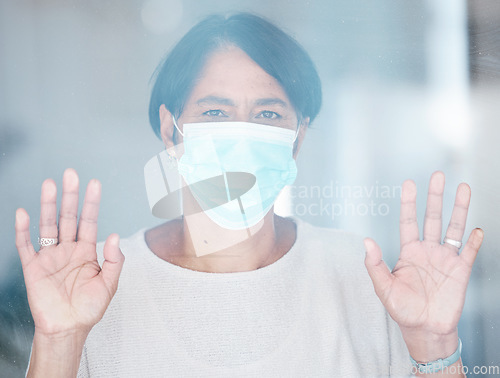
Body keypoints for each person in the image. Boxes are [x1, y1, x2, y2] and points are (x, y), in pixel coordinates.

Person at [15, 13, 483, 377]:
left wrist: (434, 344)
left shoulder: (364, 276)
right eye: (216, 111)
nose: (241, 135)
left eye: (268, 114)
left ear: (298, 138)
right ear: (170, 131)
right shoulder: (96, 286)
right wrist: (59, 342)